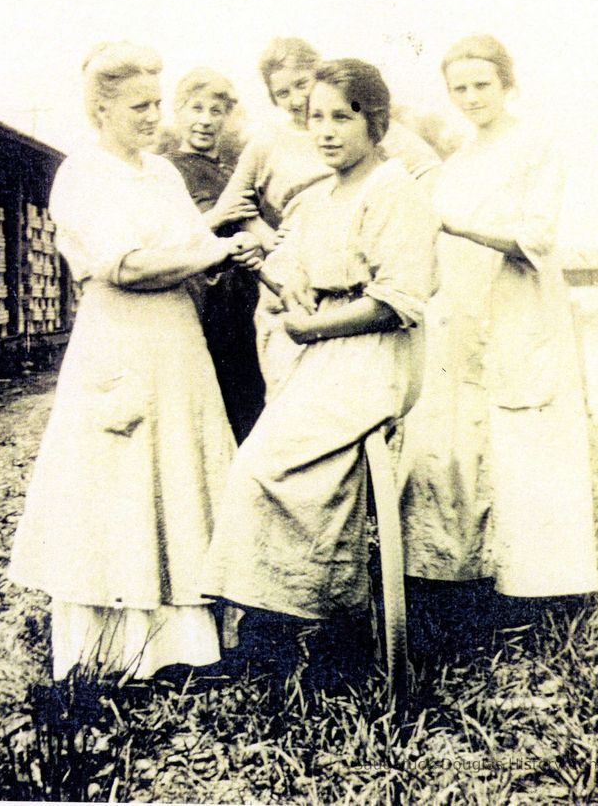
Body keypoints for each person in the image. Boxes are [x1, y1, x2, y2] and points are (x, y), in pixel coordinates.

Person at [7, 42, 262, 681]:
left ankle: (186, 644)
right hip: (120, 340)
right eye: (139, 105)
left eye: (156, 103)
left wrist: (234, 249)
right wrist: (214, 251)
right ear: (101, 108)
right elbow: (124, 266)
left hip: (177, 340)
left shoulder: (162, 173)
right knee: (117, 486)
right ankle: (115, 652)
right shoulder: (83, 174)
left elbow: (194, 244)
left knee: (180, 476)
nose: (153, 117)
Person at [202, 60, 438, 646]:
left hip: (376, 353)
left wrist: (317, 326)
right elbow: (283, 268)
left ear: (375, 123)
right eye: (316, 119)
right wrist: (290, 290)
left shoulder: (394, 189)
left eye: (343, 117)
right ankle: (291, 609)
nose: (327, 131)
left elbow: (398, 299)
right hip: (324, 353)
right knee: (257, 463)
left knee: (269, 464)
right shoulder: (318, 195)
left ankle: (316, 612)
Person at [405, 33, 598, 601]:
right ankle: (473, 575)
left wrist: (451, 222)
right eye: (458, 88)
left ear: (507, 84)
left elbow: (533, 236)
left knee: (527, 434)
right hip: (463, 311)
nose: (470, 97)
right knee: (464, 436)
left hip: (520, 305)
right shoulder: (458, 161)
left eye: (481, 85)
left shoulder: (537, 145)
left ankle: (549, 585)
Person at [210, 37, 442, 399]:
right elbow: (235, 204)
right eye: (282, 93)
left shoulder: (360, 128)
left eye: (302, 85)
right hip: (289, 272)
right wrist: (269, 238)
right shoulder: (267, 142)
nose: (296, 99)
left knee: (352, 390)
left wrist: (401, 224)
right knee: (290, 388)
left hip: (354, 272)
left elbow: (427, 169)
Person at [165, 68, 265, 441]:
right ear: (178, 111)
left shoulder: (232, 171)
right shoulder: (167, 171)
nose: (205, 121)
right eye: (196, 109)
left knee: (249, 402)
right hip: (200, 299)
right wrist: (218, 217)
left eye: (216, 111)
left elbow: (255, 226)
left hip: (242, 299)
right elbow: (165, 240)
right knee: (206, 407)